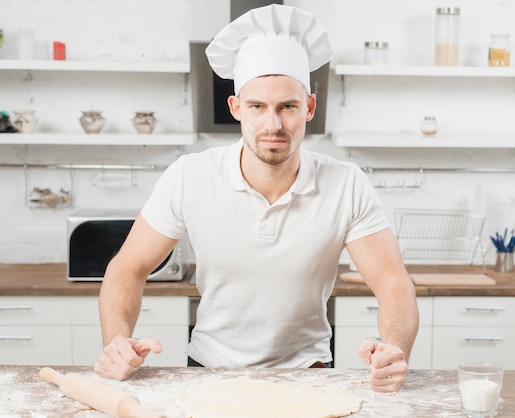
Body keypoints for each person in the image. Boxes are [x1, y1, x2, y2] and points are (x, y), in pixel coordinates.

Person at [94, 4, 418, 393]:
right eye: (258, 107)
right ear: (236, 109)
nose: (273, 124)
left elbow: (392, 280)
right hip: (208, 373)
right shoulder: (189, 175)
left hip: (309, 375)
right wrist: (116, 339)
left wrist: (395, 348)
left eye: (288, 107)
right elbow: (128, 267)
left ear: (309, 107)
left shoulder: (346, 183)